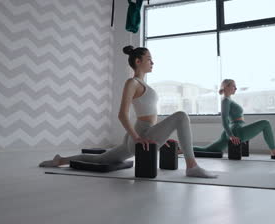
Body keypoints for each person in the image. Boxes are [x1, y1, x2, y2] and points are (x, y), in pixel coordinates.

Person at [39, 45, 217, 178]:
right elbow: (122, 115)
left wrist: (162, 137)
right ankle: (192, 166)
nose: (152, 62)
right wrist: (137, 138)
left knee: (102, 160)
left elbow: (152, 115)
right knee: (181, 116)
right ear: (138, 62)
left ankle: (60, 160)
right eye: (149, 58)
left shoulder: (145, 85)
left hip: (143, 132)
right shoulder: (132, 83)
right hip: (139, 134)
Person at [193, 79, 275, 160]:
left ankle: (182, 149)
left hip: (234, 129)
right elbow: (224, 119)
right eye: (233, 86)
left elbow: (227, 120)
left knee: (208, 150)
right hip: (236, 131)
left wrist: (229, 134)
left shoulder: (228, 100)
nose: (236, 88)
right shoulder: (226, 100)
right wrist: (231, 135)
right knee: (265, 123)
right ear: (226, 87)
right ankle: (274, 153)